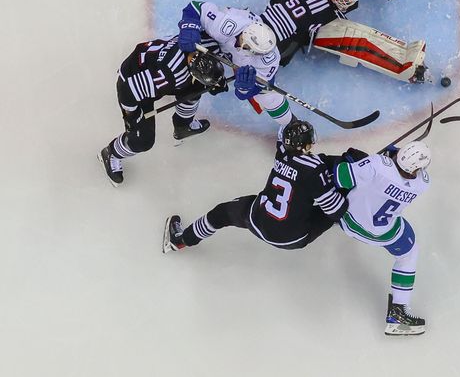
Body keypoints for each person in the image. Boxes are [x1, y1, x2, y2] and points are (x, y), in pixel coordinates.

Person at [163, 120, 347, 253]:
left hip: (257, 221)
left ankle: (181, 241)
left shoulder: (282, 153)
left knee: (221, 214)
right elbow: (335, 210)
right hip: (293, 239)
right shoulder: (316, 169)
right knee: (341, 200)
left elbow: (285, 131)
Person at [97, 36, 227, 187]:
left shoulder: (200, 45)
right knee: (142, 141)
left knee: (195, 89)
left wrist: (214, 80)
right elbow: (129, 91)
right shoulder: (170, 75)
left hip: (151, 68)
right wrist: (131, 115)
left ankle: (182, 126)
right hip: (133, 85)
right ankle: (111, 153)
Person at [331, 141, 432, 335]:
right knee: (409, 253)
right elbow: (403, 175)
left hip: (347, 221)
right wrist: (393, 154)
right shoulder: (423, 183)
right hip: (381, 233)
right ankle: (398, 312)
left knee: (350, 164)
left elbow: (340, 177)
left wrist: (374, 159)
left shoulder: (377, 165)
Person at [259, 0, 425, 70]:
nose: (345, 6)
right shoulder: (311, 12)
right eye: (342, 2)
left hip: (297, 6)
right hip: (291, 27)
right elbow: (267, 38)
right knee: (282, 58)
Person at [177, 0, 296, 125]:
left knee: (267, 95)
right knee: (186, 57)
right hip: (217, 42)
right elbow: (195, 8)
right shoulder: (225, 26)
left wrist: (245, 88)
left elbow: (248, 92)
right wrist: (189, 28)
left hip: (235, 54)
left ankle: (289, 122)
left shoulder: (268, 60)